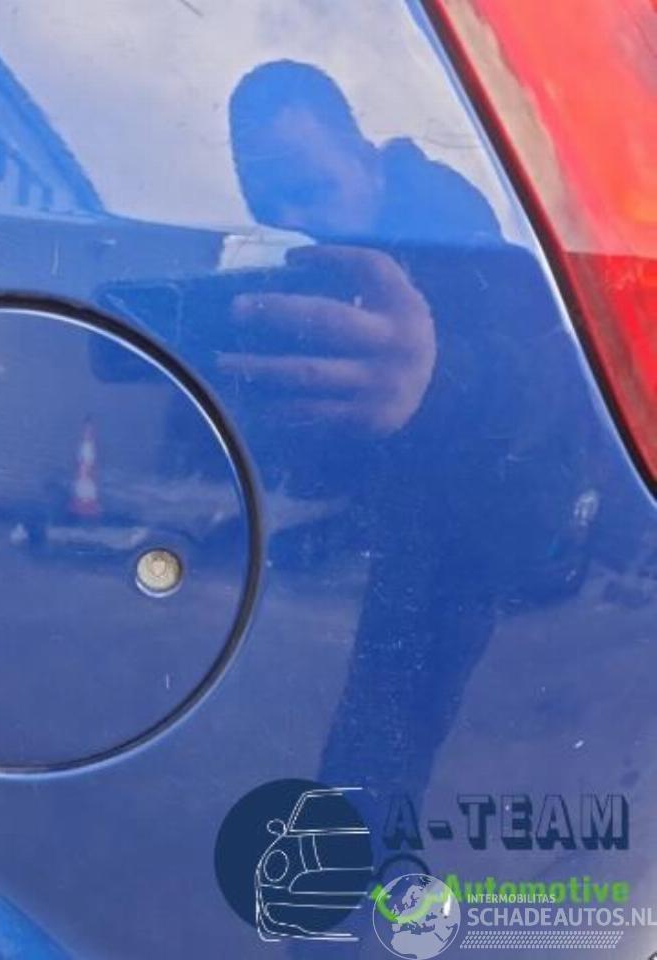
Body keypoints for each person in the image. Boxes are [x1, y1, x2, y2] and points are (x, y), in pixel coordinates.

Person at [225, 61, 583, 807]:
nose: (293, 220)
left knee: (398, 736)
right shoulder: (312, 264)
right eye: (266, 204)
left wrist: (440, 377)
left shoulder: (463, 231)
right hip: (390, 529)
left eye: (311, 188)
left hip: (479, 534)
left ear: (370, 158)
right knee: (367, 726)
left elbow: (553, 378)